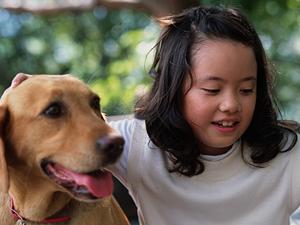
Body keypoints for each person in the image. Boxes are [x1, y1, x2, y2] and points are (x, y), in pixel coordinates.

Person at [7, 5, 300, 225]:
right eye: (212, 90)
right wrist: (28, 94)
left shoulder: (289, 155)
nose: (231, 104)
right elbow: (82, 131)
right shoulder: (137, 144)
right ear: (173, 89)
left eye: (247, 90)